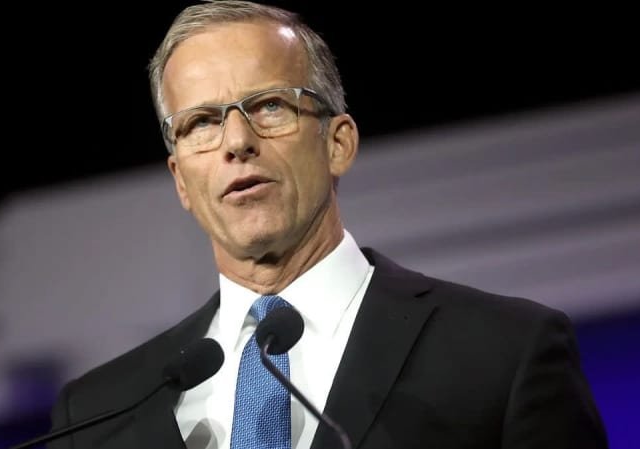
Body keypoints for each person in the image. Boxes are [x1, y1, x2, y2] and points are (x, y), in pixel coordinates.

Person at [47, 1, 608, 448]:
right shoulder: (97, 415)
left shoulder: (503, 353)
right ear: (181, 182)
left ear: (338, 143)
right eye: (200, 123)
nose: (237, 142)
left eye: (269, 106)